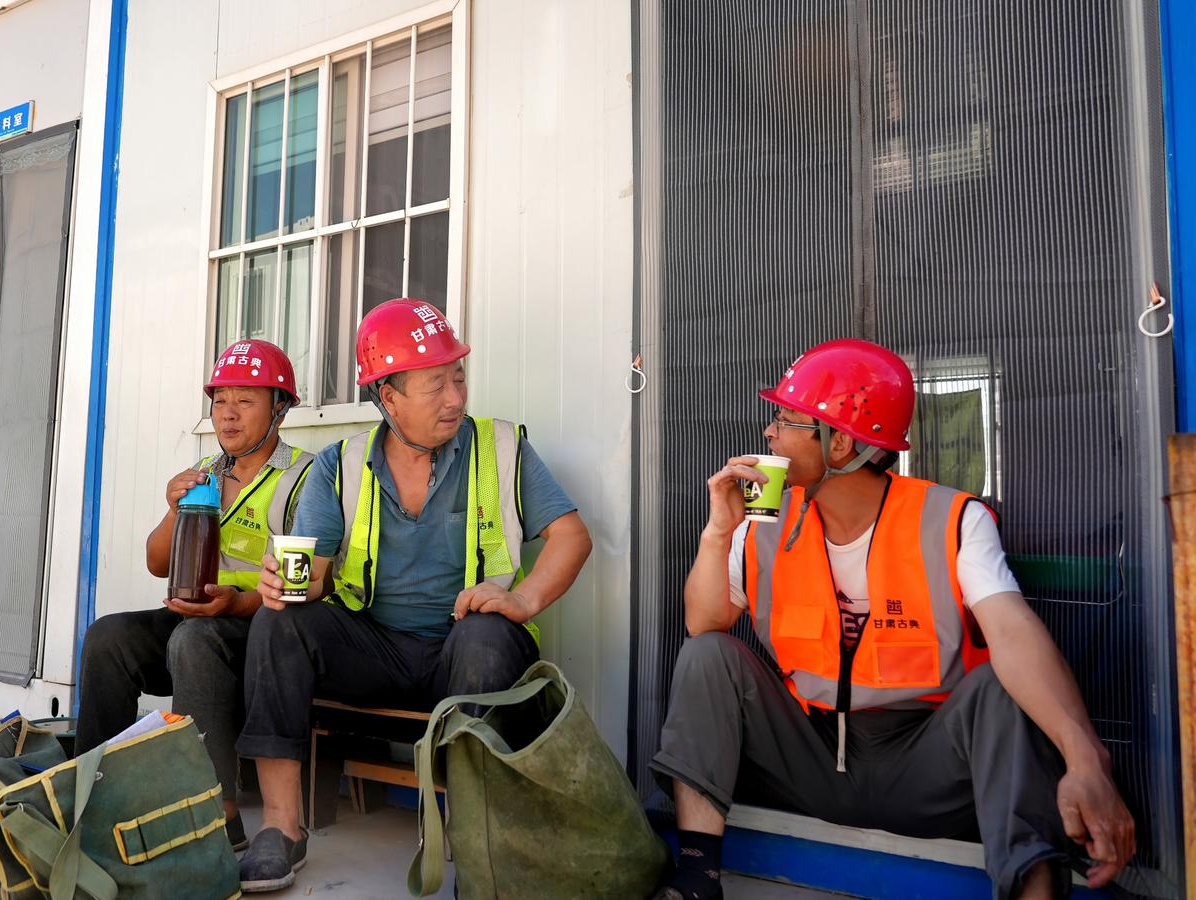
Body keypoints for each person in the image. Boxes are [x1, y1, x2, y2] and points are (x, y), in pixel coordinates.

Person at [650, 339, 1136, 900]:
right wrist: (718, 532)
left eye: (785, 421)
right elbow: (703, 623)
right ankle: (697, 878)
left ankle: (1035, 890)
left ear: (840, 444)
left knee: (1004, 686)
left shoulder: (953, 518)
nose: (769, 433)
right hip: (810, 756)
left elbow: (1012, 631)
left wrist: (1085, 759)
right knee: (708, 655)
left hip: (926, 767)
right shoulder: (765, 522)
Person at [235, 298, 593, 892]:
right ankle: (281, 827)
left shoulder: (500, 447)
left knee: (486, 636)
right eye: (435, 385)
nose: (455, 398)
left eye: (459, 377)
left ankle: (476, 841)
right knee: (278, 622)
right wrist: (283, 582)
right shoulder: (341, 464)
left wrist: (523, 601)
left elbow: (572, 537)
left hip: (466, 649)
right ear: (389, 397)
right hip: (373, 649)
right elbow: (315, 575)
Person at [75, 339, 312, 852]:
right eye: (220, 401)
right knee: (108, 637)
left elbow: (305, 587)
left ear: (280, 409)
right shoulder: (205, 471)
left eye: (245, 401)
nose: (228, 415)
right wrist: (173, 506)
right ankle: (93, 791)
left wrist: (237, 601)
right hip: (200, 616)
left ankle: (213, 813)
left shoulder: (306, 476)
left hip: (264, 629)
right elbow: (158, 563)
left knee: (195, 640)